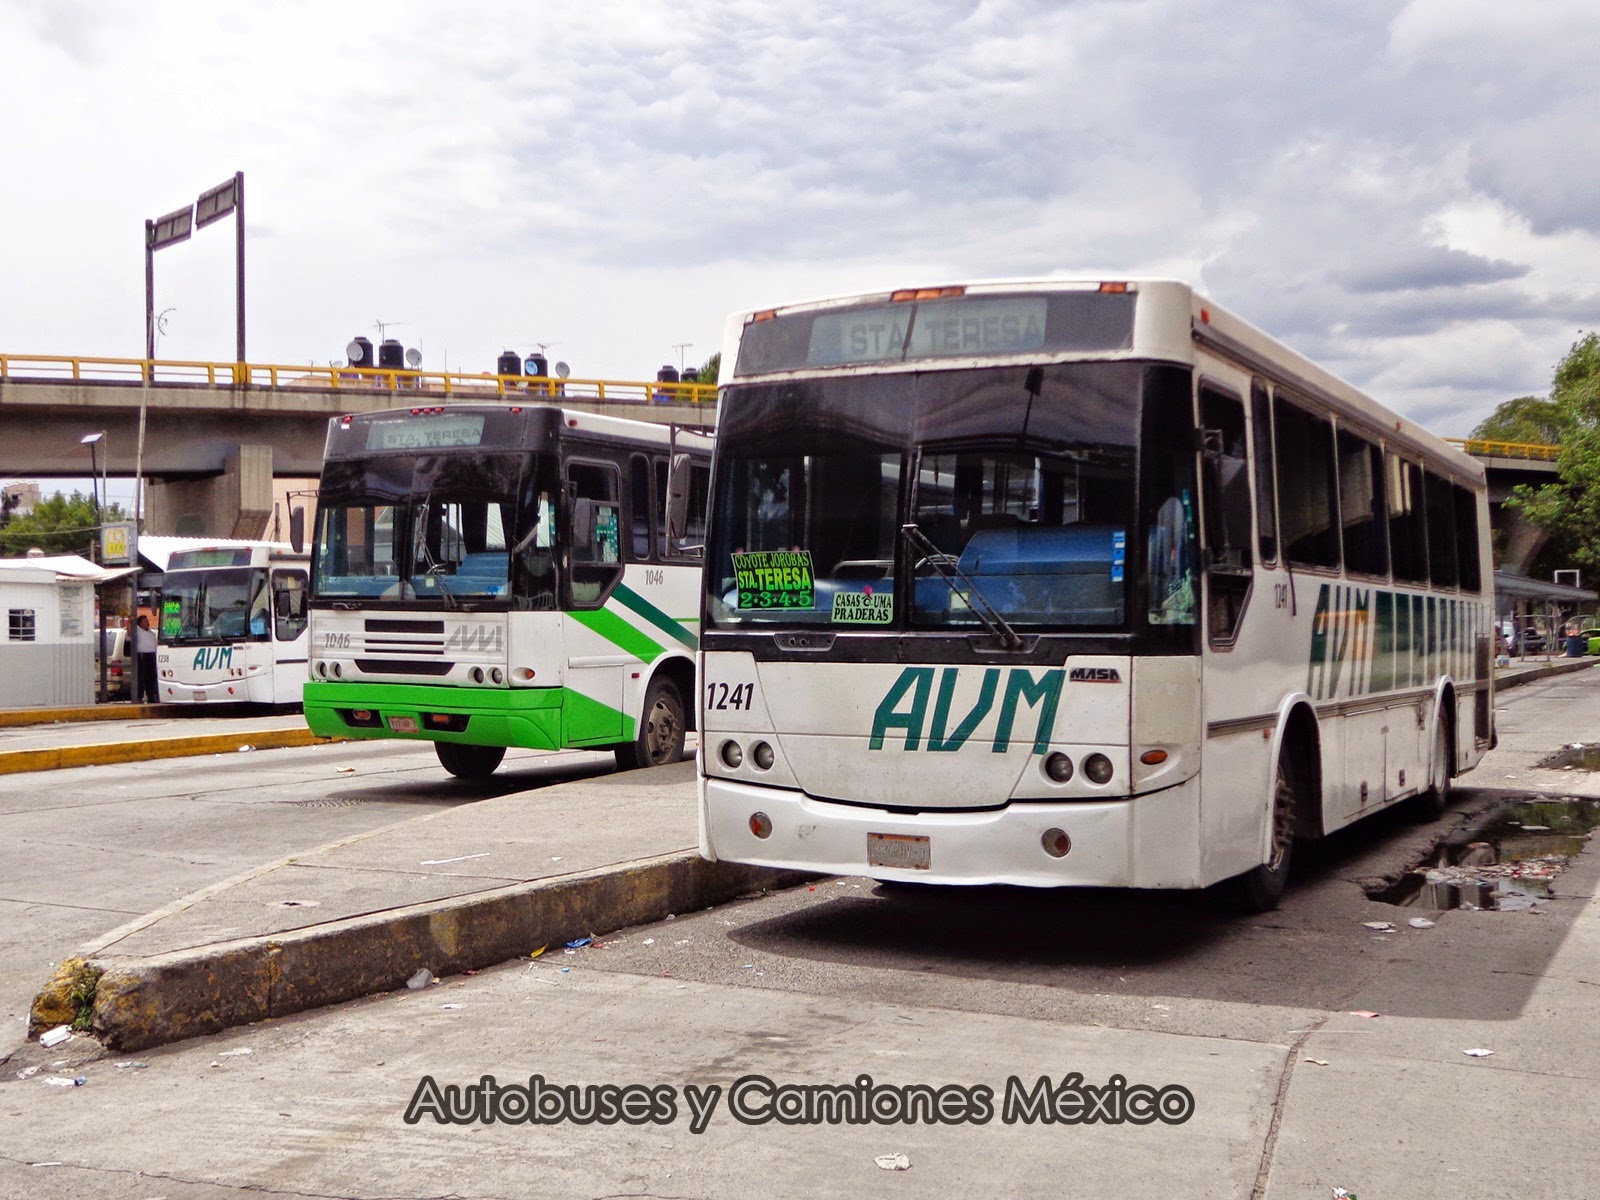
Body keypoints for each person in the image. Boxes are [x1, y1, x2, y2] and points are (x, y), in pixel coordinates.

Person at [132, 614, 158, 703]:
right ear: (139, 624)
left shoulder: (151, 633)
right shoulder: (136, 632)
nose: (148, 623)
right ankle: (139, 697)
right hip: (142, 656)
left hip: (152, 655)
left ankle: (152, 696)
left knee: (152, 677)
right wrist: (130, 621)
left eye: (147, 621)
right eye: (145, 621)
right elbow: (129, 632)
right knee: (142, 677)